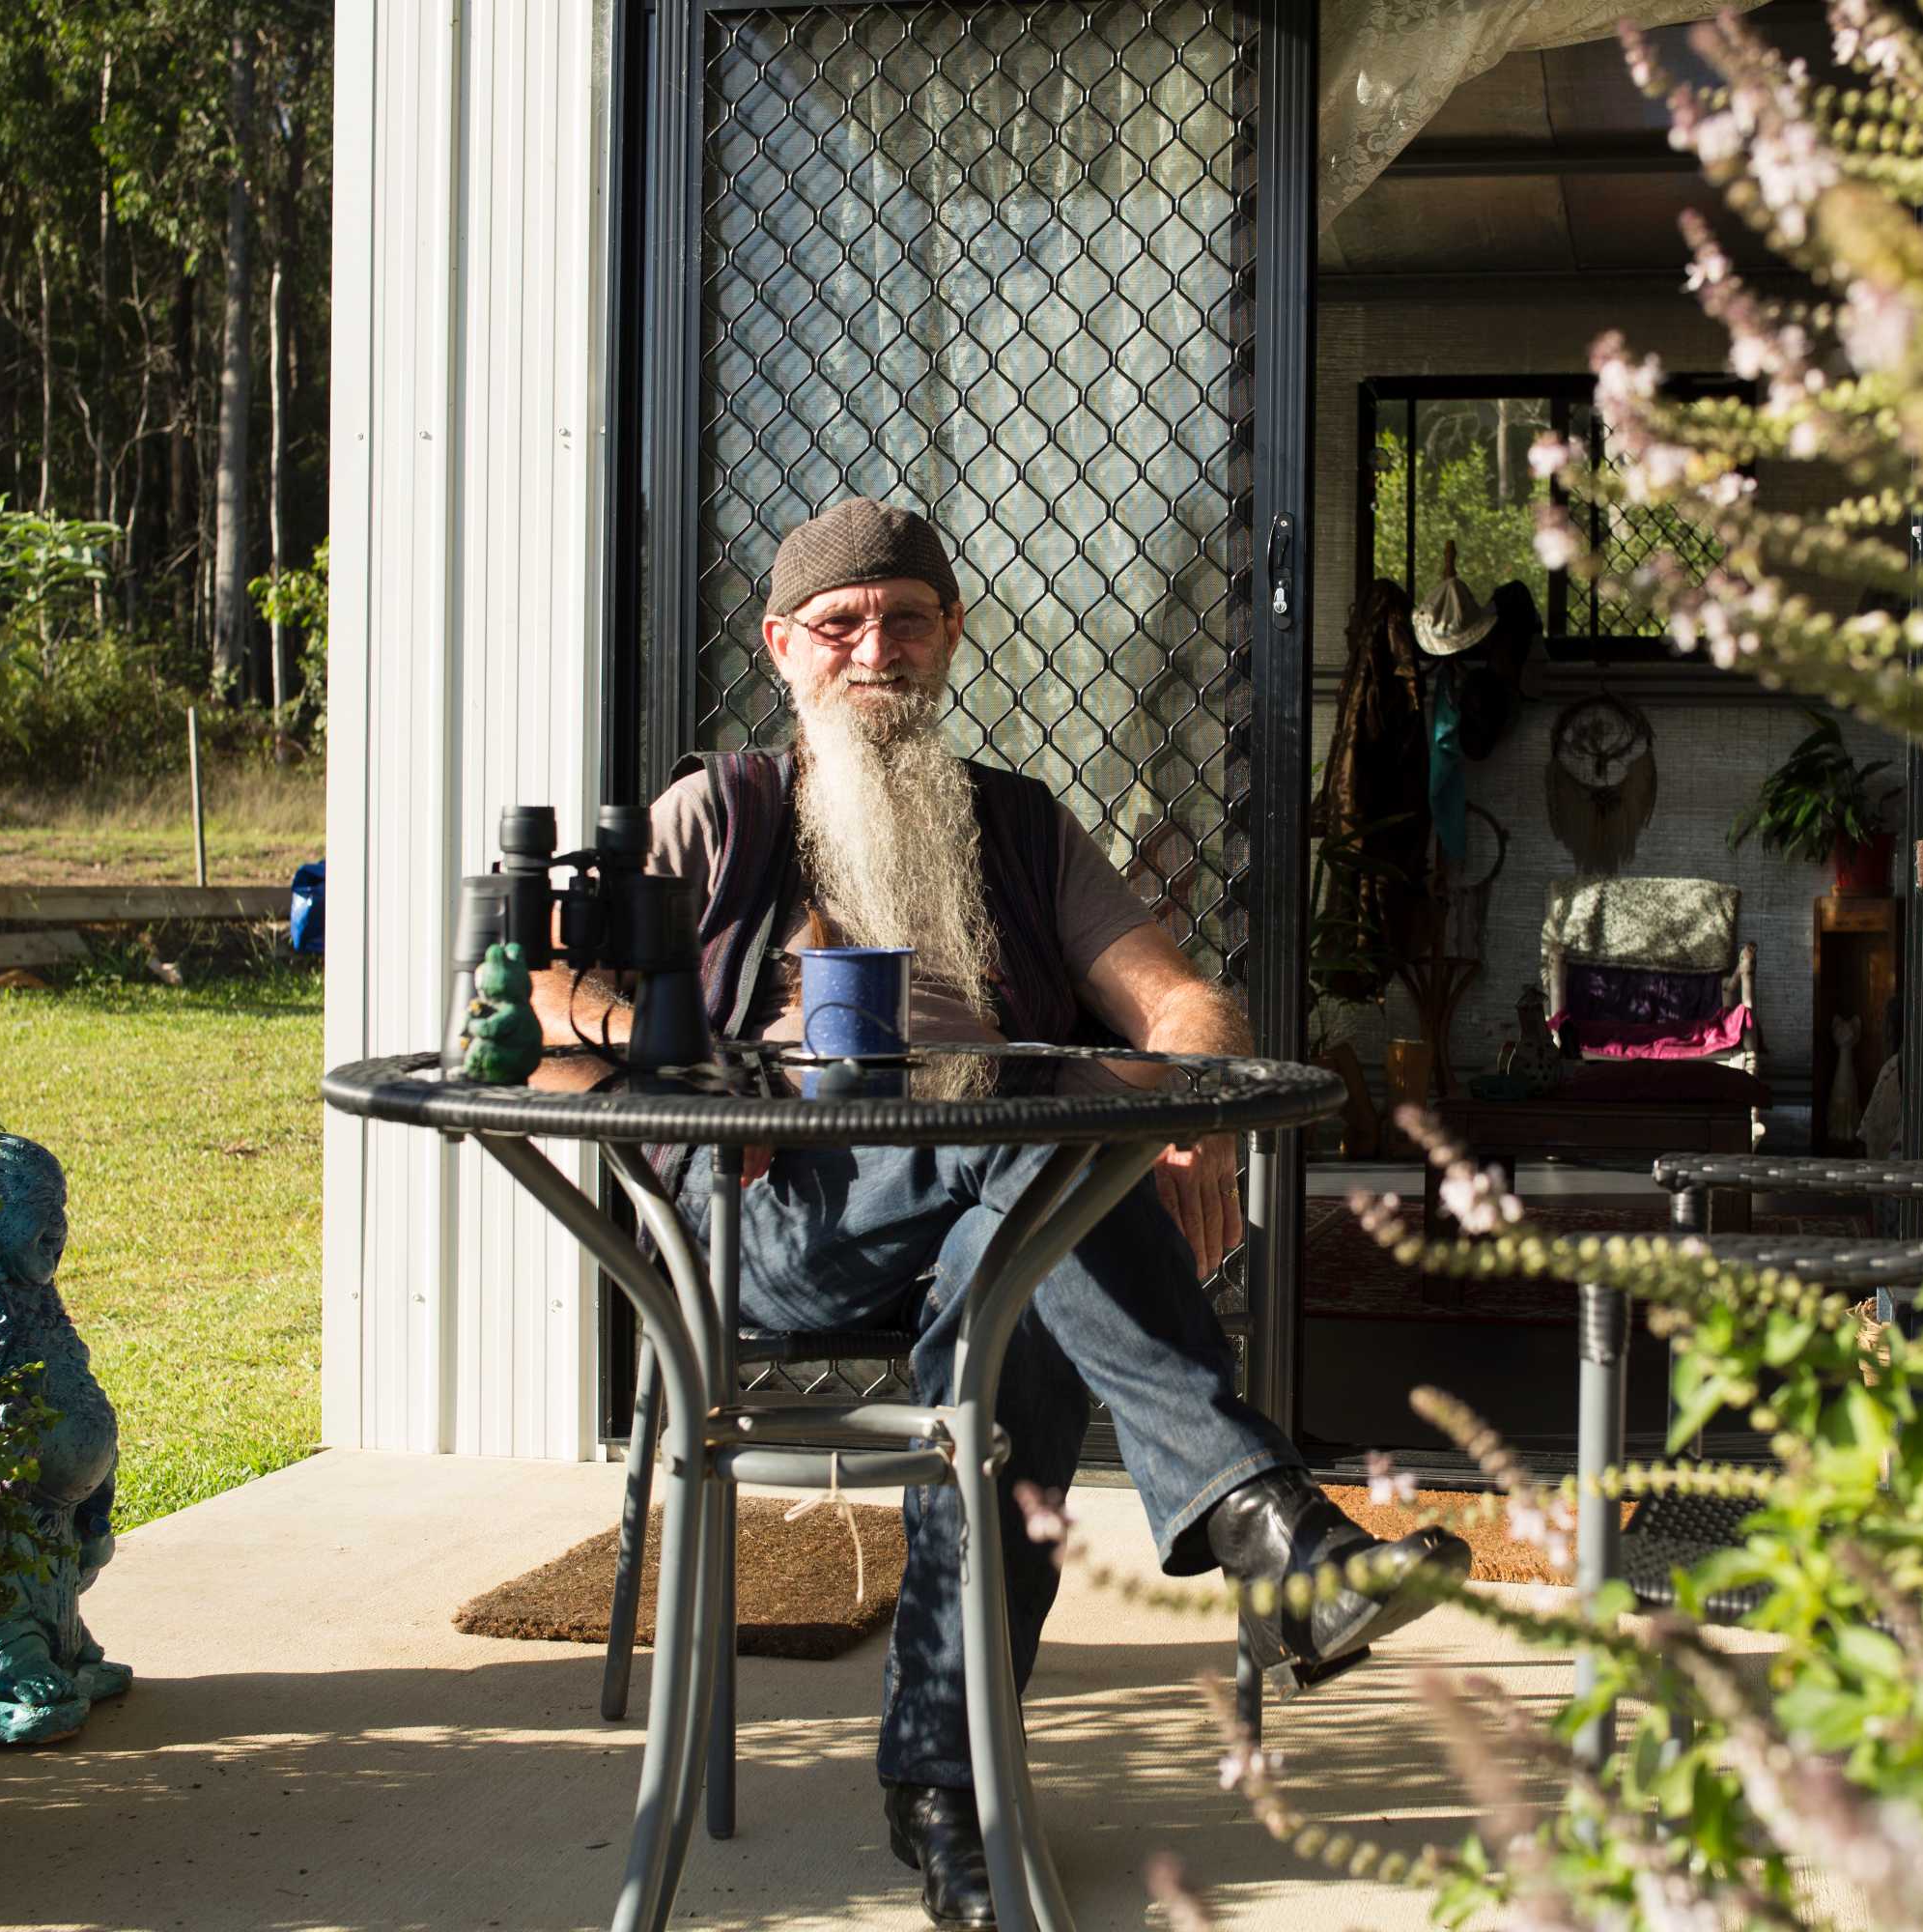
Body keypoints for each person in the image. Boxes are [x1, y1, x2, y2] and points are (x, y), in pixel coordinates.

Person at [536, 498, 1468, 1927]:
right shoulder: (715, 812)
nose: (876, 650)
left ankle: (946, 1789)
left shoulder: (1019, 825)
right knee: (1048, 1146)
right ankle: (1267, 1527)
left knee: (1027, 1273)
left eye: (907, 619)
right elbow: (542, 989)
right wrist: (659, 1070)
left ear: (952, 637)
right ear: (783, 650)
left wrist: (1182, 1094)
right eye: (840, 625)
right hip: (776, 1218)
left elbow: (1179, 999)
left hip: (992, 1210)